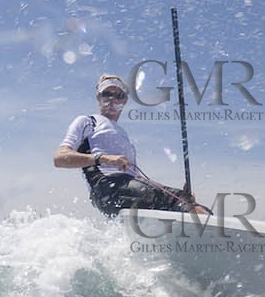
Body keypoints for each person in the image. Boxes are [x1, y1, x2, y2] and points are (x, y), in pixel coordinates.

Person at [54, 74, 201, 217]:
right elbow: (59, 158)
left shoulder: (123, 135)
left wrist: (176, 194)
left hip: (133, 188)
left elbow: (136, 178)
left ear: (124, 101)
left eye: (119, 96)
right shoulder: (88, 121)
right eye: (107, 94)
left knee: (185, 201)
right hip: (107, 187)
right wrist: (103, 158)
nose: (112, 99)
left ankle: (208, 234)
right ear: (98, 97)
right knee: (160, 198)